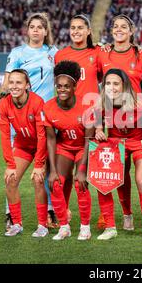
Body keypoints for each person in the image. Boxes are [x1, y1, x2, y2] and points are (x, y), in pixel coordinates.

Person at [0, 12, 59, 231]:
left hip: (47, 116)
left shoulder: (53, 53)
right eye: (32, 26)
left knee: (46, 170)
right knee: (13, 170)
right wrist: (1, 102)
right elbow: (7, 83)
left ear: (45, 31)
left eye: (40, 27)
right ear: (27, 30)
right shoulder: (17, 53)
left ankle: (50, 211)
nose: (35, 30)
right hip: (21, 116)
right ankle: (10, 215)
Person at [97, 14, 142, 231]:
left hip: (139, 120)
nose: (119, 29)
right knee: (120, 174)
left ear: (131, 31)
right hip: (114, 123)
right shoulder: (102, 54)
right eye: (115, 26)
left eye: (124, 26)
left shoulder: (140, 54)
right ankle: (127, 215)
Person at [94, 69, 142, 241]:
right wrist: (99, 131)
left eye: (115, 83)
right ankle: (117, 223)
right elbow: (98, 125)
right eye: (107, 83)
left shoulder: (140, 103)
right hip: (116, 142)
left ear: (124, 85)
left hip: (139, 142)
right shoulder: (101, 102)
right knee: (105, 179)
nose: (111, 87)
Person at [54, 14, 101, 227]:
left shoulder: (98, 53)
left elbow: (103, 82)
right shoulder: (61, 55)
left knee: (92, 170)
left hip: (91, 119)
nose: (76, 31)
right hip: (66, 119)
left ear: (88, 31)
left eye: (80, 27)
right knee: (63, 174)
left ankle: (102, 214)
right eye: (73, 27)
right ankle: (63, 213)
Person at [43, 60, 95, 241]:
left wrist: (81, 170)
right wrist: (53, 171)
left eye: (66, 86)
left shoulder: (86, 106)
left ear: (75, 86)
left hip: (83, 147)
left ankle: (85, 227)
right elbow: (51, 138)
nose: (62, 90)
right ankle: (64, 226)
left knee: (80, 183)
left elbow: (89, 139)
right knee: (55, 183)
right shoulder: (49, 107)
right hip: (64, 147)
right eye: (58, 86)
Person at [0, 69, 48, 237]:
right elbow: (5, 136)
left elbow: (42, 136)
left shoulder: (37, 102)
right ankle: (16, 223)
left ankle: (42, 225)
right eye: (11, 82)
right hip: (23, 145)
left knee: (38, 180)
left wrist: (39, 165)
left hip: (44, 145)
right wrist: (10, 165)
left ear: (27, 85)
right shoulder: (4, 104)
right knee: (10, 180)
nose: (14, 86)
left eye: (18, 82)